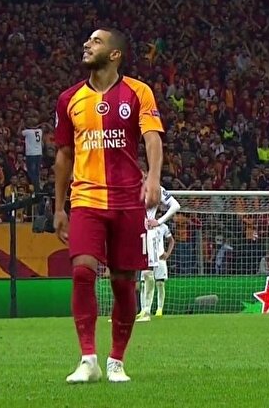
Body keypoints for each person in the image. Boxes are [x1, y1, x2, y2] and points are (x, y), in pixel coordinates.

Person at [53, 27, 164, 384]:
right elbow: (64, 155)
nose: (87, 44)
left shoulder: (138, 92)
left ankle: (116, 360)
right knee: (82, 271)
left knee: (123, 282)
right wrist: (59, 207)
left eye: (96, 41)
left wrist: (153, 178)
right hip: (86, 197)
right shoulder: (69, 99)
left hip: (127, 200)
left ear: (115, 54)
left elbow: (152, 138)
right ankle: (88, 359)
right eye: (87, 40)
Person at [137, 208, 175, 321]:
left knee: (160, 284)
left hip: (160, 259)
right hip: (147, 259)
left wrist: (167, 254)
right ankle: (143, 309)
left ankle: (159, 309)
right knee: (144, 284)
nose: (158, 216)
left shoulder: (163, 227)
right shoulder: (144, 226)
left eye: (159, 215)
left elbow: (171, 240)